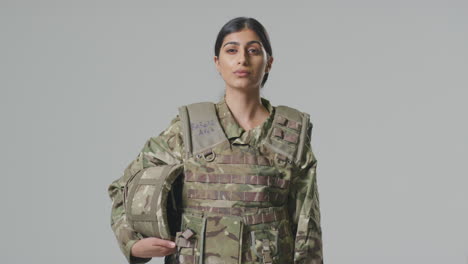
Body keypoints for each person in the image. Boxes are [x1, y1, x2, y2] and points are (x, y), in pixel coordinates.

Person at [108, 16, 324, 264]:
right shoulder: (188, 130)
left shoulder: (289, 135)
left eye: (253, 50)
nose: (242, 58)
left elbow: (308, 228)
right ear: (217, 63)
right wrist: (132, 243)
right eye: (231, 50)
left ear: (269, 63)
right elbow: (123, 188)